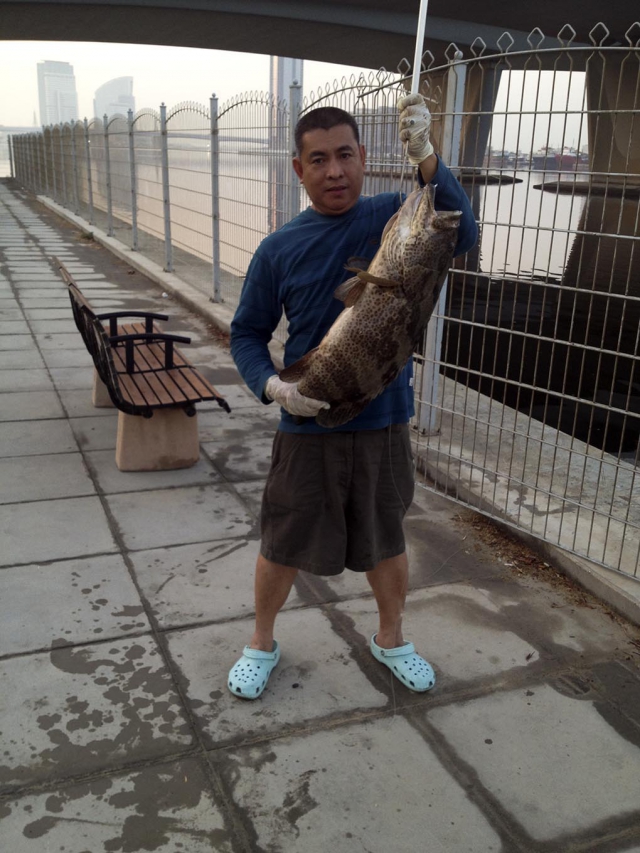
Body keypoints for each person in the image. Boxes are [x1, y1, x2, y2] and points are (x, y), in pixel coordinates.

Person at [228, 93, 478, 699]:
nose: (335, 171)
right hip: (307, 418)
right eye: (319, 160)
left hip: (383, 418)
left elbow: (461, 231)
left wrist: (426, 156)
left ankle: (391, 638)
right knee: (283, 540)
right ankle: (260, 642)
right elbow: (246, 334)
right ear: (299, 169)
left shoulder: (393, 216)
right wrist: (273, 387)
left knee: (385, 538)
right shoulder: (278, 248)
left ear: (364, 158)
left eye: (345, 155)